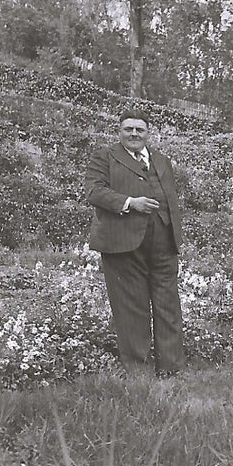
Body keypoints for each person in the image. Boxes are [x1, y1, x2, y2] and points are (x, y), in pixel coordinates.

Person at [85, 111, 185, 378]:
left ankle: (170, 368)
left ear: (147, 133)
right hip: (123, 241)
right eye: (128, 129)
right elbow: (94, 191)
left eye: (140, 130)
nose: (134, 134)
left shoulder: (161, 160)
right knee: (131, 307)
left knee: (168, 305)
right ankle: (138, 371)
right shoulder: (104, 157)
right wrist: (130, 203)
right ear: (119, 131)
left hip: (163, 239)